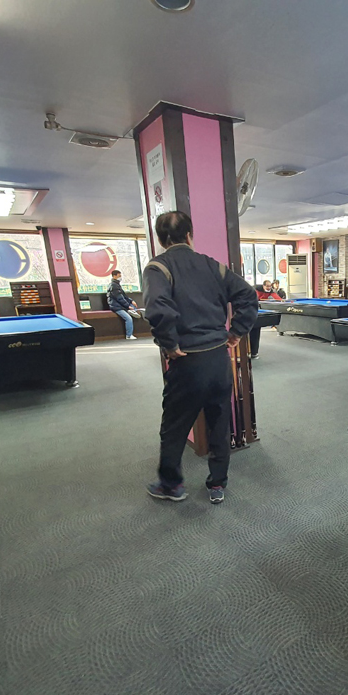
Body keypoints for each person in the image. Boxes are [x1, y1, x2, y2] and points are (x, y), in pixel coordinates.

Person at [143, 211, 257, 505]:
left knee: (174, 426)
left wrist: (169, 344)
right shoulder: (213, 266)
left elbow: (157, 308)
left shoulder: (158, 267)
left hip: (187, 361)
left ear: (160, 239)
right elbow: (248, 295)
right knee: (219, 422)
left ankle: (171, 485)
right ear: (189, 235)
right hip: (219, 359)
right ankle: (217, 484)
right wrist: (237, 331)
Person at [107, 269, 137, 339]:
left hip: (120, 306)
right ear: (114, 276)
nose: (120, 277)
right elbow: (120, 298)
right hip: (116, 306)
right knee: (128, 319)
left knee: (133, 307)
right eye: (119, 276)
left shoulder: (117, 285)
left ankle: (131, 311)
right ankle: (129, 335)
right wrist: (128, 306)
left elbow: (124, 296)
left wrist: (131, 301)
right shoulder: (114, 286)